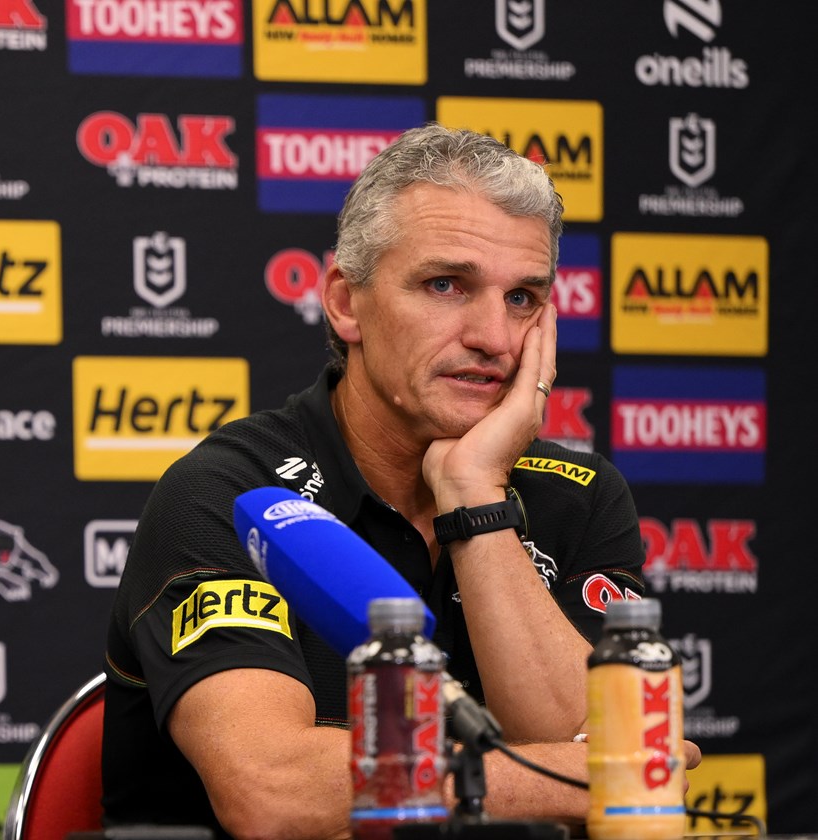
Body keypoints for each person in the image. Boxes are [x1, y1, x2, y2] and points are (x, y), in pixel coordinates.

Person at [101, 123, 701, 839]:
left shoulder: (577, 496)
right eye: (447, 285)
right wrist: (565, 773)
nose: (495, 338)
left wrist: (475, 494)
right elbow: (271, 789)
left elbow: (620, 793)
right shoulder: (233, 493)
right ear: (346, 303)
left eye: (523, 299)